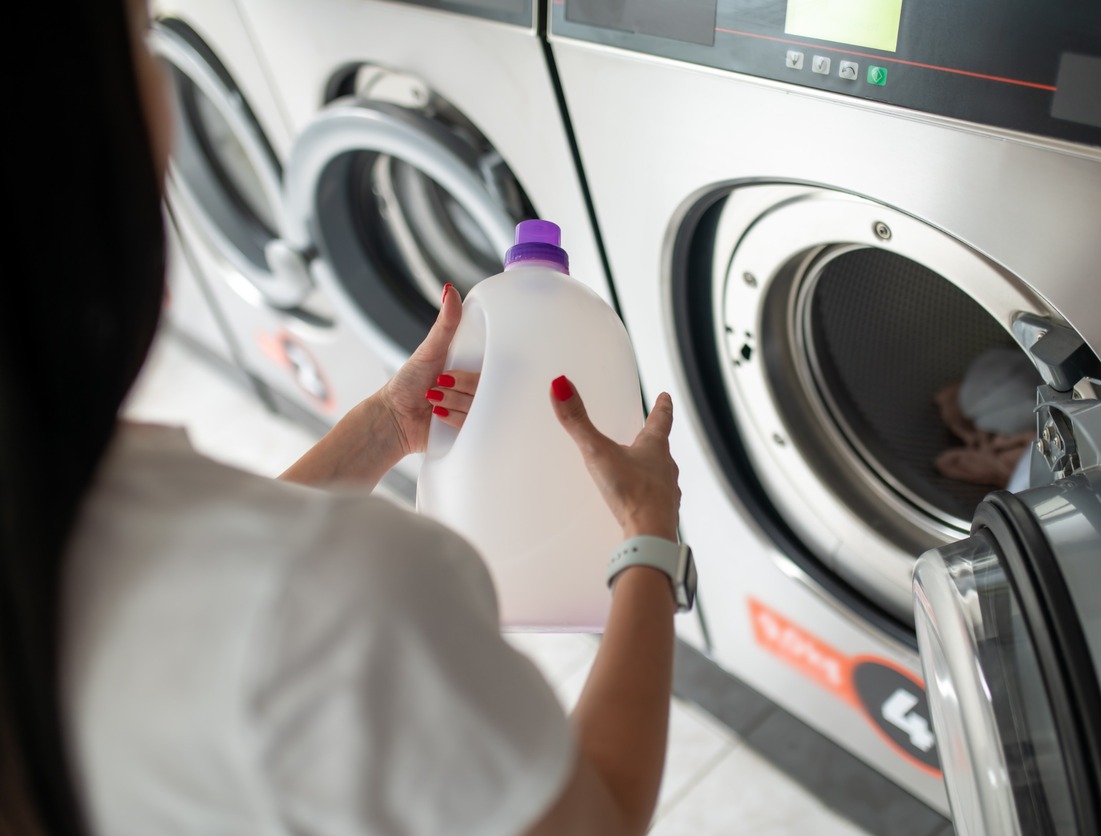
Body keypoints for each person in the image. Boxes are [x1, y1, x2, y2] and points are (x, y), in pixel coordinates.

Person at [0, 0, 686, 833]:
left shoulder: (58, 529)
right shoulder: (342, 601)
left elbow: (200, 586)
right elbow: (598, 822)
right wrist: (651, 540)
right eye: (142, 38)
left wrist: (387, 426)